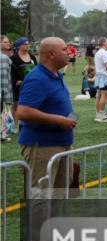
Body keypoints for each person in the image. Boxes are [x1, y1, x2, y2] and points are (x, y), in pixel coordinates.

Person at [16, 37, 76, 190]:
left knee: (60, 192)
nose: (69, 52)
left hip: (61, 142)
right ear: (51, 54)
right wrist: (58, 120)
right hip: (42, 145)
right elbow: (23, 112)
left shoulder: (55, 75)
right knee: (41, 195)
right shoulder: (37, 78)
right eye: (64, 49)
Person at [10, 37, 37, 125]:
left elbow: (37, 70)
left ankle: (28, 121)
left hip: (31, 85)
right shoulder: (13, 58)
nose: (27, 45)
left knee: (30, 104)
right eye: (25, 44)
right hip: (18, 86)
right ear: (18, 46)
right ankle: (15, 124)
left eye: (28, 44)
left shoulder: (32, 57)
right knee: (16, 105)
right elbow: (11, 72)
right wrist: (16, 81)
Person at [93, 37, 107, 122]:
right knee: (104, 96)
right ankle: (102, 116)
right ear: (104, 43)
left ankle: (98, 115)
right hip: (104, 76)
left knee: (99, 96)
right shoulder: (104, 53)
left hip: (99, 75)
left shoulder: (98, 53)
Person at [1, 36, 13, 141]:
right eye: (5, 42)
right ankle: (2, 134)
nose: (8, 44)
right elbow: (5, 78)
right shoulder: (4, 59)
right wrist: (7, 95)